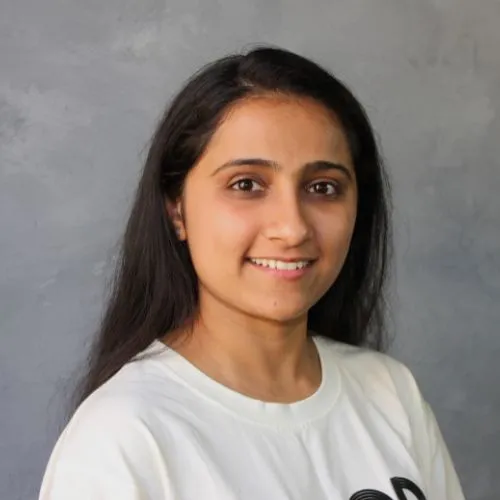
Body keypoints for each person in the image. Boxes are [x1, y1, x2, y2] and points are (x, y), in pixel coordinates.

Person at [39, 46, 465, 500]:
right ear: (176, 209)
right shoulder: (123, 439)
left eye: (323, 188)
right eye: (246, 184)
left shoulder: (389, 393)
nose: (292, 227)